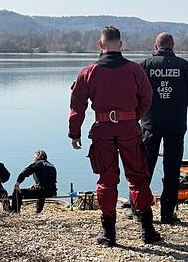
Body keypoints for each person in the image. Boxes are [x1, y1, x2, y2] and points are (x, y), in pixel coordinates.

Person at [69, 26, 161, 246]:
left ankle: (109, 233)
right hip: (129, 129)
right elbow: (147, 99)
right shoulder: (135, 70)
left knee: (107, 181)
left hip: (103, 130)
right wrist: (132, 116)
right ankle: (148, 230)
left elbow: (77, 106)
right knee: (138, 179)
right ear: (120, 44)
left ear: (100, 45)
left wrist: (74, 132)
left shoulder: (88, 72)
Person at [140, 32, 188, 225]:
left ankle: (141, 210)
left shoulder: (144, 66)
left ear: (155, 46)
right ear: (173, 45)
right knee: (172, 169)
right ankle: (167, 213)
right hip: (176, 124)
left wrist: (145, 108)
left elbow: (133, 93)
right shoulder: (184, 66)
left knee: (145, 168)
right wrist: (180, 102)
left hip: (150, 124)